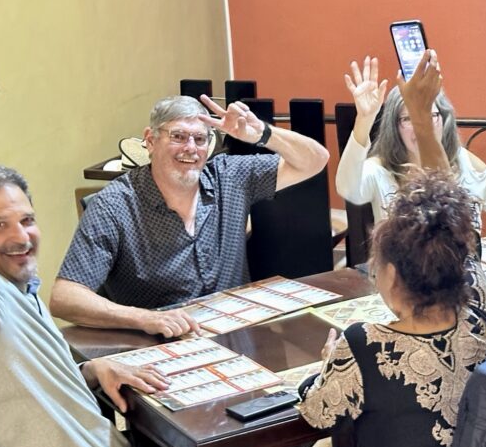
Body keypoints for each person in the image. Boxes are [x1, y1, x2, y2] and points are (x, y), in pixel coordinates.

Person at [0, 51, 193, 447]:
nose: (20, 237)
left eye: (27, 220)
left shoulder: (15, 284)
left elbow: (21, 372)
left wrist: (91, 370)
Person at [299, 173, 486, 447]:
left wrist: (328, 364)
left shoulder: (364, 343)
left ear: (390, 274)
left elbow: (317, 413)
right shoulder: (483, 327)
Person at [50, 94, 330, 338]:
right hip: (156, 346)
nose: (190, 149)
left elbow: (316, 161)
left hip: (235, 335)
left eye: (200, 139)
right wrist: (145, 318)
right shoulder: (114, 205)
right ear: (150, 140)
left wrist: (262, 133)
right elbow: (65, 298)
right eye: (178, 136)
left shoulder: (229, 176)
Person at [336, 55, 486, 253]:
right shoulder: (380, 169)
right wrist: (364, 120)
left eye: (431, 115)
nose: (421, 124)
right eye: (408, 118)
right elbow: (348, 188)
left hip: (459, 284)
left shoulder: (463, 161)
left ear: (444, 119)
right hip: (405, 288)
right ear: (394, 126)